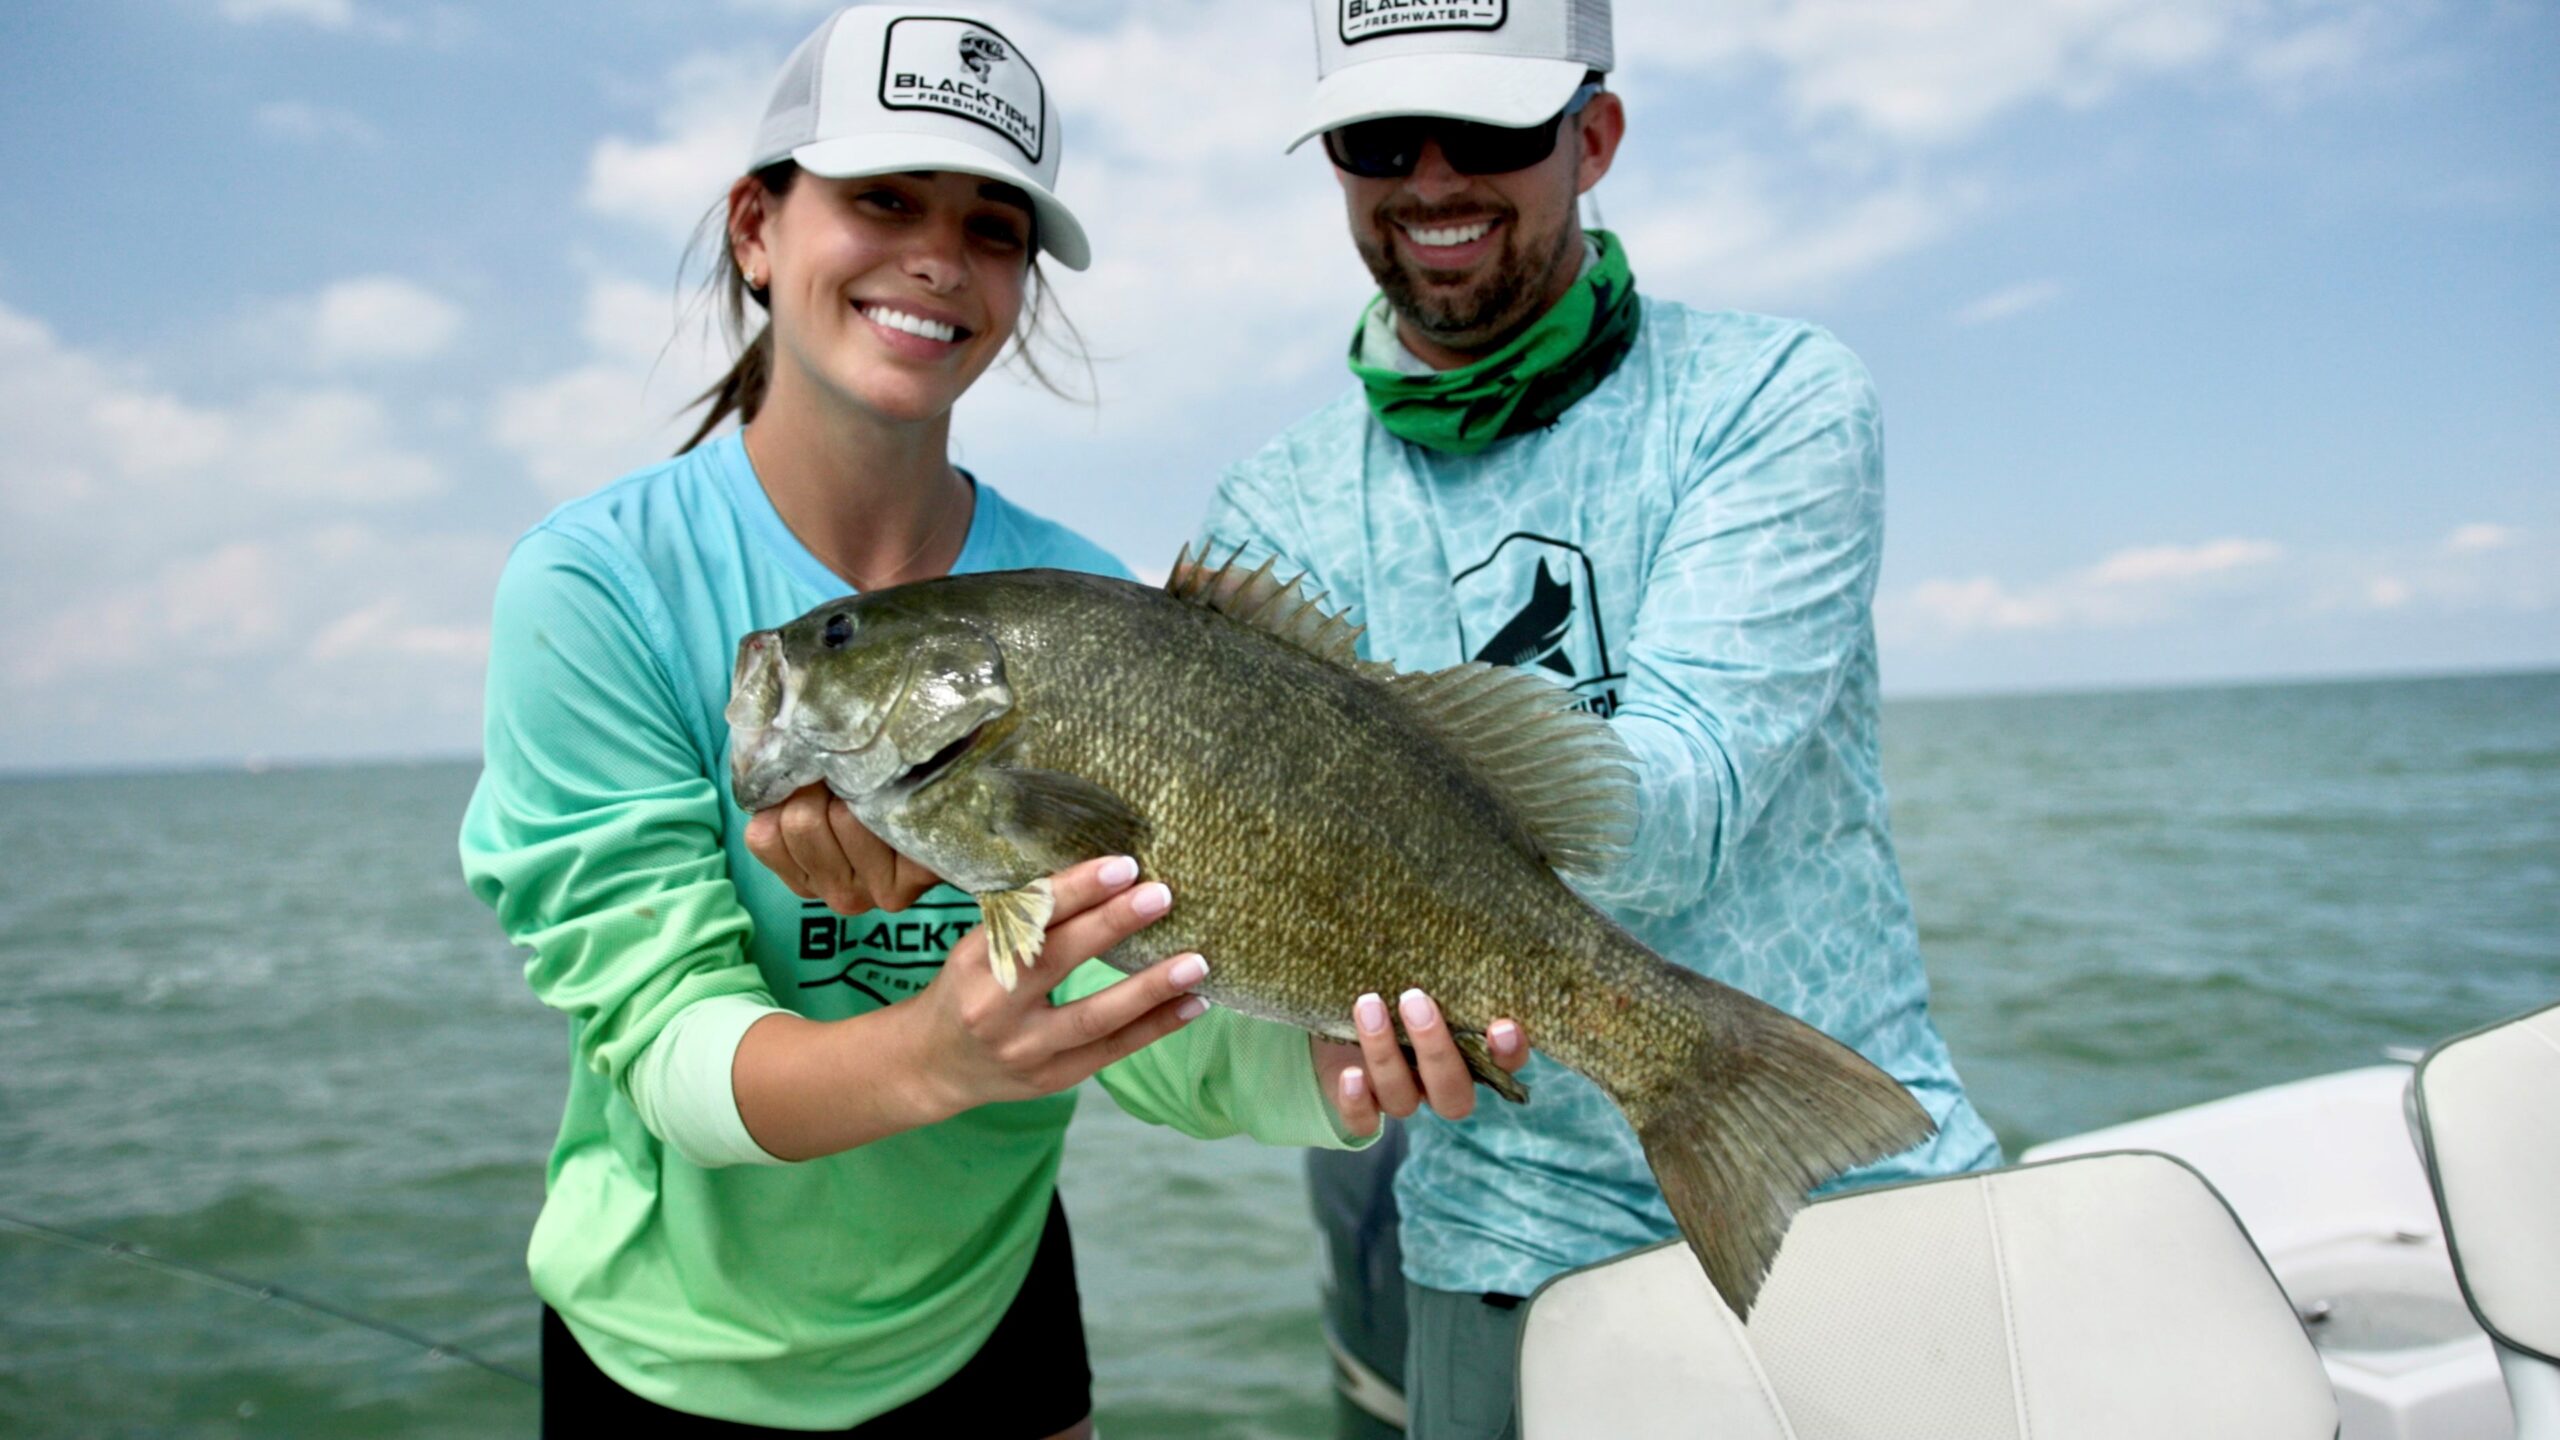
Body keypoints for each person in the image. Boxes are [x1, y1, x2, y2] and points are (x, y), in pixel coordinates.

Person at [459, 8, 1512, 1435]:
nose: (939, 257)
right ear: (756, 227)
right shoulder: (597, 587)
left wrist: (1329, 1070)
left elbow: (1166, 1023)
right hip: (674, 1351)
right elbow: (664, 1054)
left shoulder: (1086, 604)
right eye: (882, 198)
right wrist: (935, 1058)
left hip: (995, 1311)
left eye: (994, 226)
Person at [1208, 4, 2008, 1437]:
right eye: (1381, 138)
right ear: (1334, 160)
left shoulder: (1772, 398)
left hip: (1851, 1197)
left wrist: (1402, 831)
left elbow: (1683, 807)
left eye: (1496, 131)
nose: (1434, 177)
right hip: (1501, 1247)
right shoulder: (1270, 516)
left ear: (1596, 137)